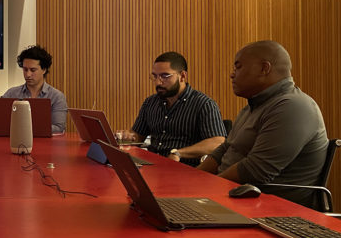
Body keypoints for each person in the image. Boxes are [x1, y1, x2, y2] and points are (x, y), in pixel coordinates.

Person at [198, 41, 328, 208]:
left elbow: (255, 171)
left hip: (272, 209)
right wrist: (196, 179)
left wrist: (205, 190)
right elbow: (224, 150)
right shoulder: (253, 107)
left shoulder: (292, 106)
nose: (232, 74)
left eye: (238, 67)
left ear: (264, 69)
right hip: (233, 196)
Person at [117, 51, 227, 166]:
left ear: (182, 76)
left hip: (184, 169)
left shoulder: (204, 104)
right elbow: (139, 135)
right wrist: (129, 137)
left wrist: (179, 153)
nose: (158, 82)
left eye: (165, 76)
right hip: (152, 165)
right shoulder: (150, 102)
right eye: (155, 76)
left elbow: (217, 142)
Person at [0, 45, 68, 135]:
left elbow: (59, 128)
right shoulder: (12, 93)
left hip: (46, 148)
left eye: (33, 70)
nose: (27, 74)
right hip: (14, 144)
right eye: (25, 69)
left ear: (44, 69)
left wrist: (23, 129)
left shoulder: (57, 97)